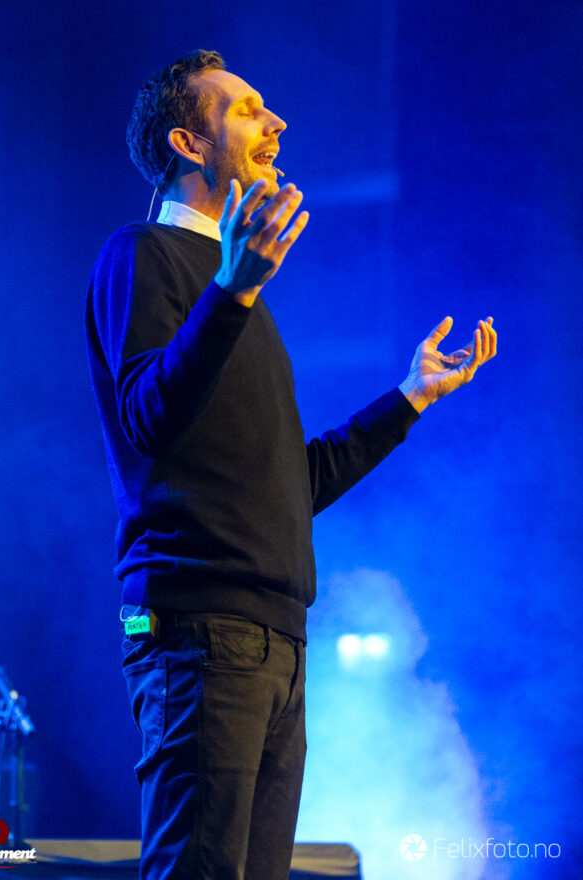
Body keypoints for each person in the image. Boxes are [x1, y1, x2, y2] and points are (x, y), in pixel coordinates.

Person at [84, 49, 497, 880]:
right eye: (244, 110)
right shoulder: (143, 254)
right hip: (198, 628)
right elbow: (146, 418)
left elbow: (291, 486)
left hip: (273, 635)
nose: (274, 122)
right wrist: (231, 292)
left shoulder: (239, 295)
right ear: (188, 143)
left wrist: (409, 398)